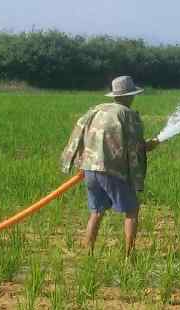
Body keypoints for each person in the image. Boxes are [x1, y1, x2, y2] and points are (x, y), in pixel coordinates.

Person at [60, 76, 159, 257]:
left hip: (89, 169)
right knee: (132, 210)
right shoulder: (127, 114)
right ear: (130, 96)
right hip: (111, 170)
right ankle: (129, 256)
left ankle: (87, 253)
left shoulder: (97, 109)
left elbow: (79, 133)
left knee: (96, 212)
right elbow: (135, 146)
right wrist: (148, 146)